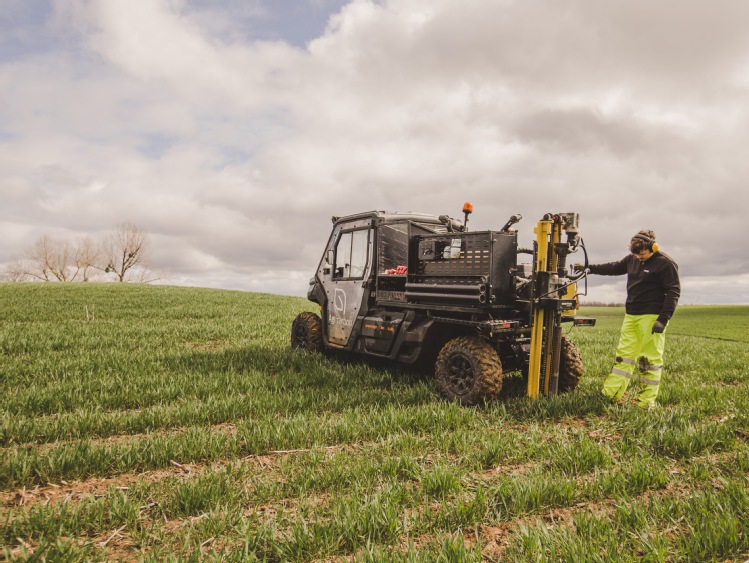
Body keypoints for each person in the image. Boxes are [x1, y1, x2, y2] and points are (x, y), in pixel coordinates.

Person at [575, 230, 680, 408]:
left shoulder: (665, 264)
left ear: (653, 247)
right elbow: (614, 267)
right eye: (636, 254)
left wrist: (663, 319)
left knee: (649, 360)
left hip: (651, 317)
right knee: (624, 357)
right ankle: (610, 394)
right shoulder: (633, 258)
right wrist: (590, 269)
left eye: (642, 254)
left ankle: (645, 402)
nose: (639, 257)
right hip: (631, 315)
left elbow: (673, 292)